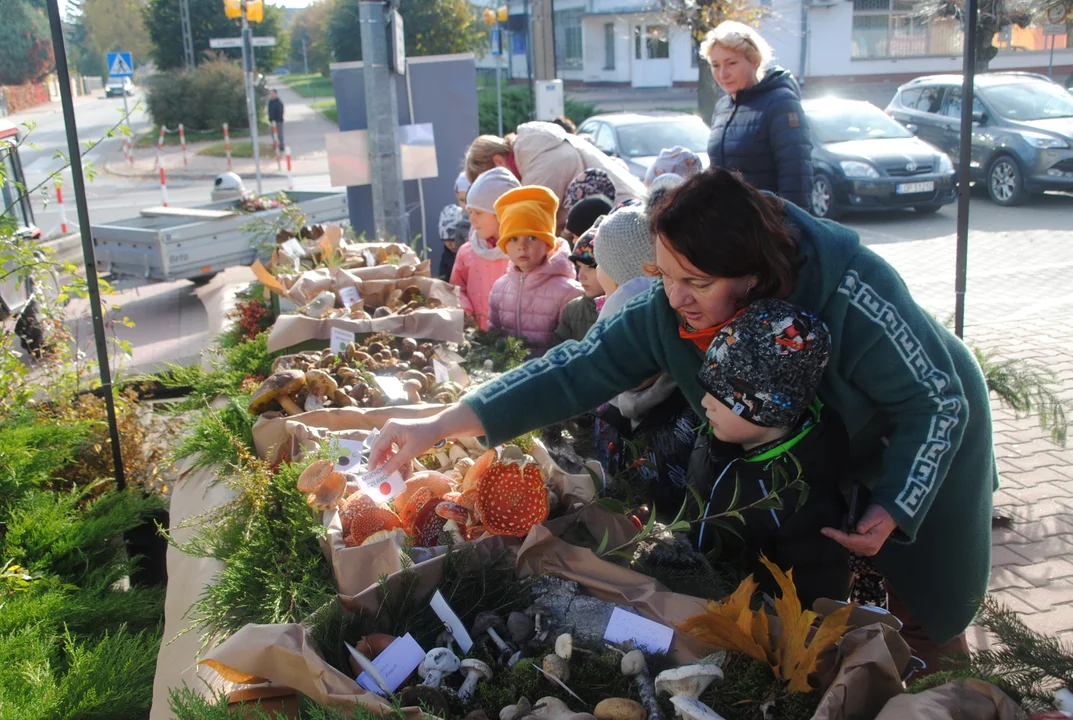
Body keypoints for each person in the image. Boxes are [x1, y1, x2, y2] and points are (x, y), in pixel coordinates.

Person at [368, 167, 995, 674]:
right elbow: (575, 369)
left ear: (755, 275)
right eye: (662, 276)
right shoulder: (672, 303)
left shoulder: (851, 290)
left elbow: (937, 401)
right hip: (800, 463)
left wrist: (894, 506)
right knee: (808, 599)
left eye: (695, 282)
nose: (674, 299)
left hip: (914, 435)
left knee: (926, 612)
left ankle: (953, 685)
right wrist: (438, 425)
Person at [692, 298, 851, 608]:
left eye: (721, 395)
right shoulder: (713, 439)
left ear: (768, 408)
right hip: (694, 603)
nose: (704, 403)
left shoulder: (803, 498)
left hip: (752, 635)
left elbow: (810, 598)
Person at [702, 22, 811, 209]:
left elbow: (796, 176)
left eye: (731, 63)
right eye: (715, 65)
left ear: (754, 60)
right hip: (729, 227)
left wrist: (791, 230)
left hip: (767, 228)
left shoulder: (780, 102)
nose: (723, 74)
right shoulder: (723, 107)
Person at [464, 123, 645, 230]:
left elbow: (533, 227)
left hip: (631, 222)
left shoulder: (541, 165)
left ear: (498, 162)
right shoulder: (535, 151)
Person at [487, 186, 582, 357]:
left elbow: (572, 348)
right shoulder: (499, 288)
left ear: (547, 244)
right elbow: (493, 337)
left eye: (531, 237)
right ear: (505, 246)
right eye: (514, 239)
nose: (522, 246)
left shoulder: (569, 292)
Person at [450, 168, 516, 330]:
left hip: (518, 342)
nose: (471, 220)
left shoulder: (523, 252)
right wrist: (466, 315)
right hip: (479, 340)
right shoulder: (467, 252)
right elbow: (456, 288)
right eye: (470, 212)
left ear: (501, 213)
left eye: (478, 213)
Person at [554, 229, 603, 343]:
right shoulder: (573, 309)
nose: (581, 276)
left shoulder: (624, 309)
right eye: (579, 267)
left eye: (589, 267)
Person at [436, 204, 469, 281]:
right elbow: (443, 281)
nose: (450, 244)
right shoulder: (446, 256)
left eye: (453, 240)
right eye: (445, 241)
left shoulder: (473, 252)